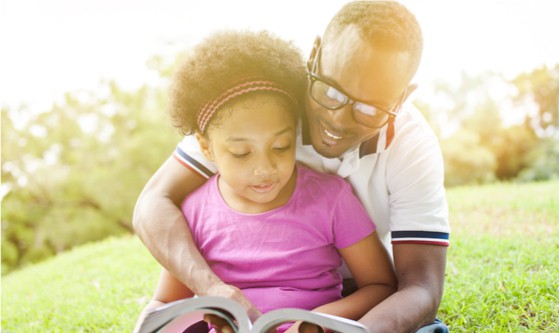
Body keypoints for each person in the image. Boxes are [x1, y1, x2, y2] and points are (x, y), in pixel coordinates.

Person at [133, 1, 450, 332]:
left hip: (346, 304)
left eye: (369, 109)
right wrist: (210, 289)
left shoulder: (412, 148)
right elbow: (153, 203)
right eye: (331, 91)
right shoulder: (258, 105)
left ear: (403, 97)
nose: (338, 121)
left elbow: (420, 287)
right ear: (314, 55)